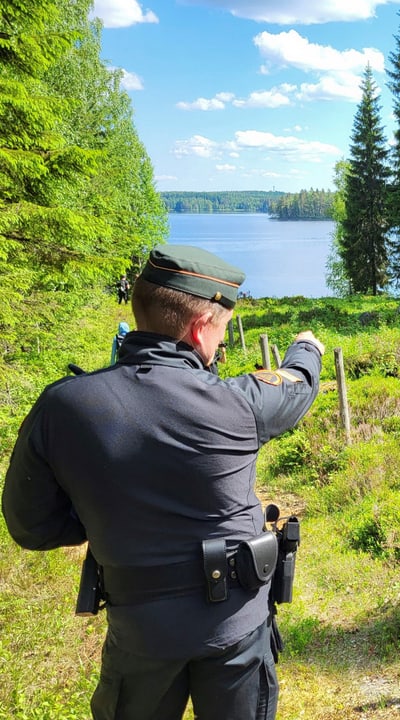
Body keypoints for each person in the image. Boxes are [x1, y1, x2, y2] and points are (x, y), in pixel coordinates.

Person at [2, 245, 324, 720]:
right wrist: (307, 346)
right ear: (199, 329)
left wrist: (106, 515)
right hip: (235, 628)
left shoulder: (64, 406)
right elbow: (297, 383)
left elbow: (32, 528)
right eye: (219, 332)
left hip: (139, 632)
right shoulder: (239, 404)